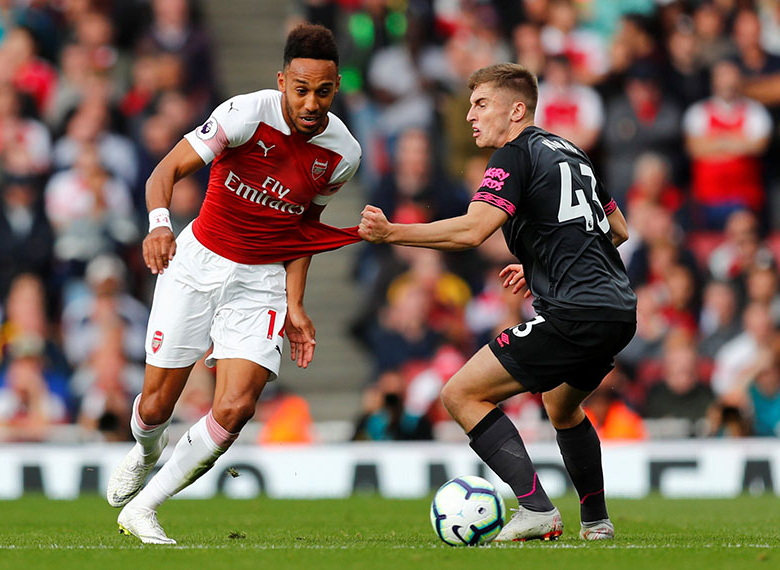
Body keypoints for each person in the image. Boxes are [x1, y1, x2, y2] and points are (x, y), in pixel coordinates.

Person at [359, 62, 637, 542]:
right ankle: (596, 523)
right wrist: (541, 266)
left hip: (574, 311)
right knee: (562, 406)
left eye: (480, 104)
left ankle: (535, 509)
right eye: (470, 105)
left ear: (517, 110)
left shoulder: (513, 156)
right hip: (618, 309)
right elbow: (618, 229)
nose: (470, 115)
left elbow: (471, 230)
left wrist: (391, 232)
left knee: (460, 394)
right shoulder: (571, 151)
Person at [107, 24, 361, 544]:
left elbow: (302, 232)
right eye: (301, 89)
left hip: (261, 282)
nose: (312, 102)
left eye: (324, 91)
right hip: (198, 263)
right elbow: (166, 169)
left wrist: (295, 305)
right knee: (155, 407)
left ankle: (145, 507)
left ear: (337, 87)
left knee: (237, 406)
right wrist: (159, 225)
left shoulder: (343, 154)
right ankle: (147, 450)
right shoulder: (245, 113)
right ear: (282, 81)